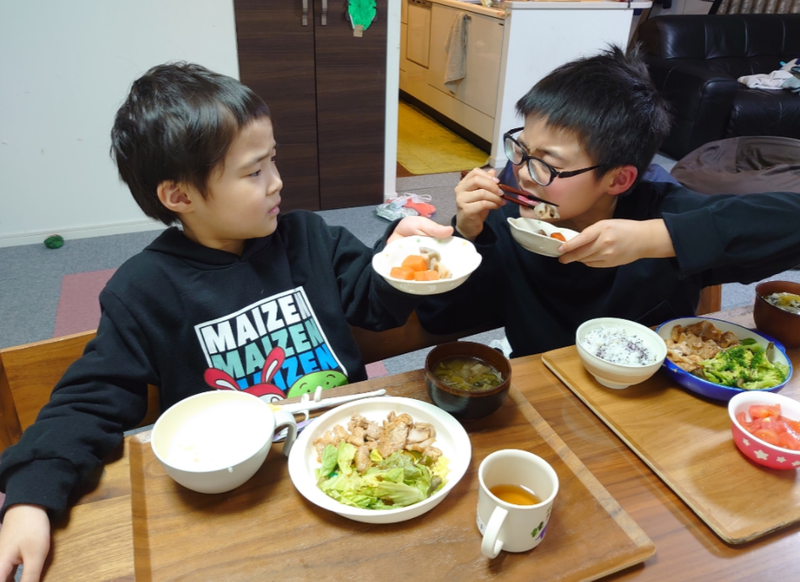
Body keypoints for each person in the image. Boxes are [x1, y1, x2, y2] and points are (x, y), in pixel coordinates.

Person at [0, 62, 452, 581]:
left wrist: (396, 259)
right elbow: (89, 398)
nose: (278, 182)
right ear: (180, 197)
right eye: (254, 172)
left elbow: (377, 307)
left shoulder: (308, 238)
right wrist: (29, 499)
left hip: (350, 459)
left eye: (273, 161)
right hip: (237, 491)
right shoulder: (144, 289)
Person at [417, 45, 800, 357]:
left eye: (547, 164)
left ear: (618, 179)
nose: (522, 173)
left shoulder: (661, 216)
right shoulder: (505, 221)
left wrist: (654, 239)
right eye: (520, 149)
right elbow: (440, 319)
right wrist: (465, 234)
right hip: (543, 390)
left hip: (653, 398)